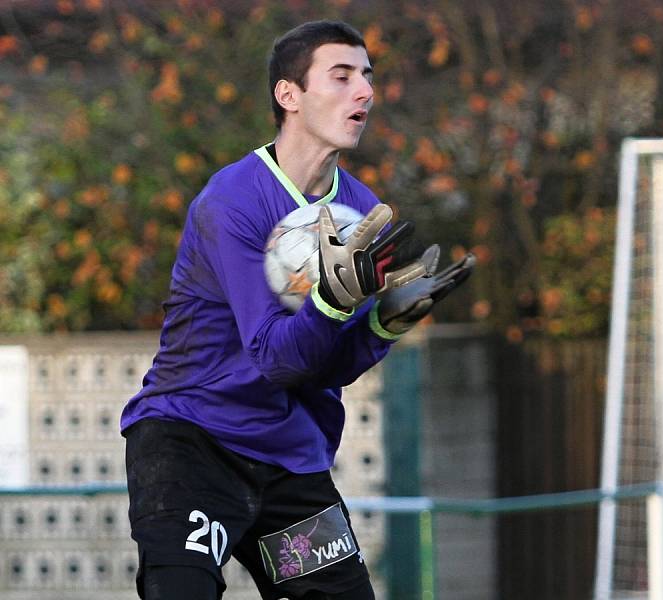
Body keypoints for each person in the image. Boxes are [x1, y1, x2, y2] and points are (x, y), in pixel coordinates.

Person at [120, 19, 474, 600]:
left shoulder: (362, 212)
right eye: (341, 77)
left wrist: (382, 326)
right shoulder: (232, 199)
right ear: (290, 95)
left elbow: (322, 368)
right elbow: (274, 357)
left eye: (367, 76)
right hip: (192, 444)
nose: (364, 91)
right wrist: (333, 303)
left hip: (290, 457)